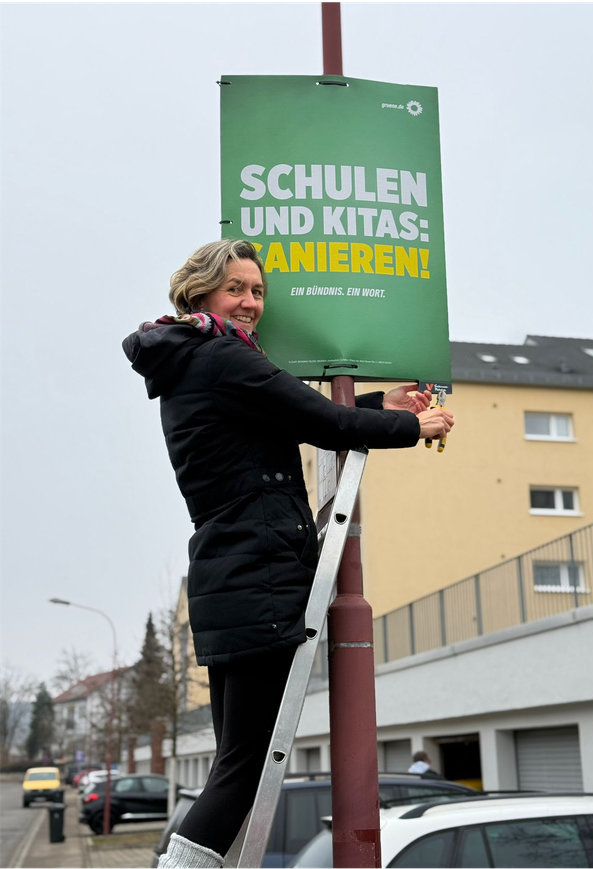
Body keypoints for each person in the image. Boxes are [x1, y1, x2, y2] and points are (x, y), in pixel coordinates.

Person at [126, 240, 454, 869]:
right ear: (201, 293)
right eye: (236, 290)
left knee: (234, 764)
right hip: (261, 573)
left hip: (232, 572)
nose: (250, 303)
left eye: (257, 292)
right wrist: (413, 429)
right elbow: (321, 423)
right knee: (244, 767)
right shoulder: (221, 355)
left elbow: (291, 415)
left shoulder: (193, 357)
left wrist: (378, 404)